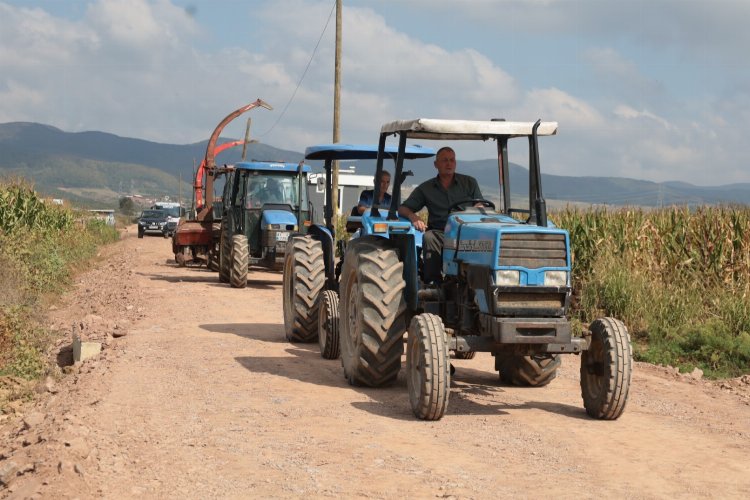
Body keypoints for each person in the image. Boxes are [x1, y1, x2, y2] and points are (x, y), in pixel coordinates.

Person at [398, 146, 483, 284]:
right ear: (436, 164)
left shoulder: (469, 183)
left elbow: (480, 205)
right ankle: (433, 285)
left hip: (466, 232)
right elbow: (403, 208)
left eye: (452, 160)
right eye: (444, 160)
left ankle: (480, 282)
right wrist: (414, 217)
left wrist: (475, 211)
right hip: (440, 233)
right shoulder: (426, 188)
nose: (449, 164)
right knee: (429, 237)